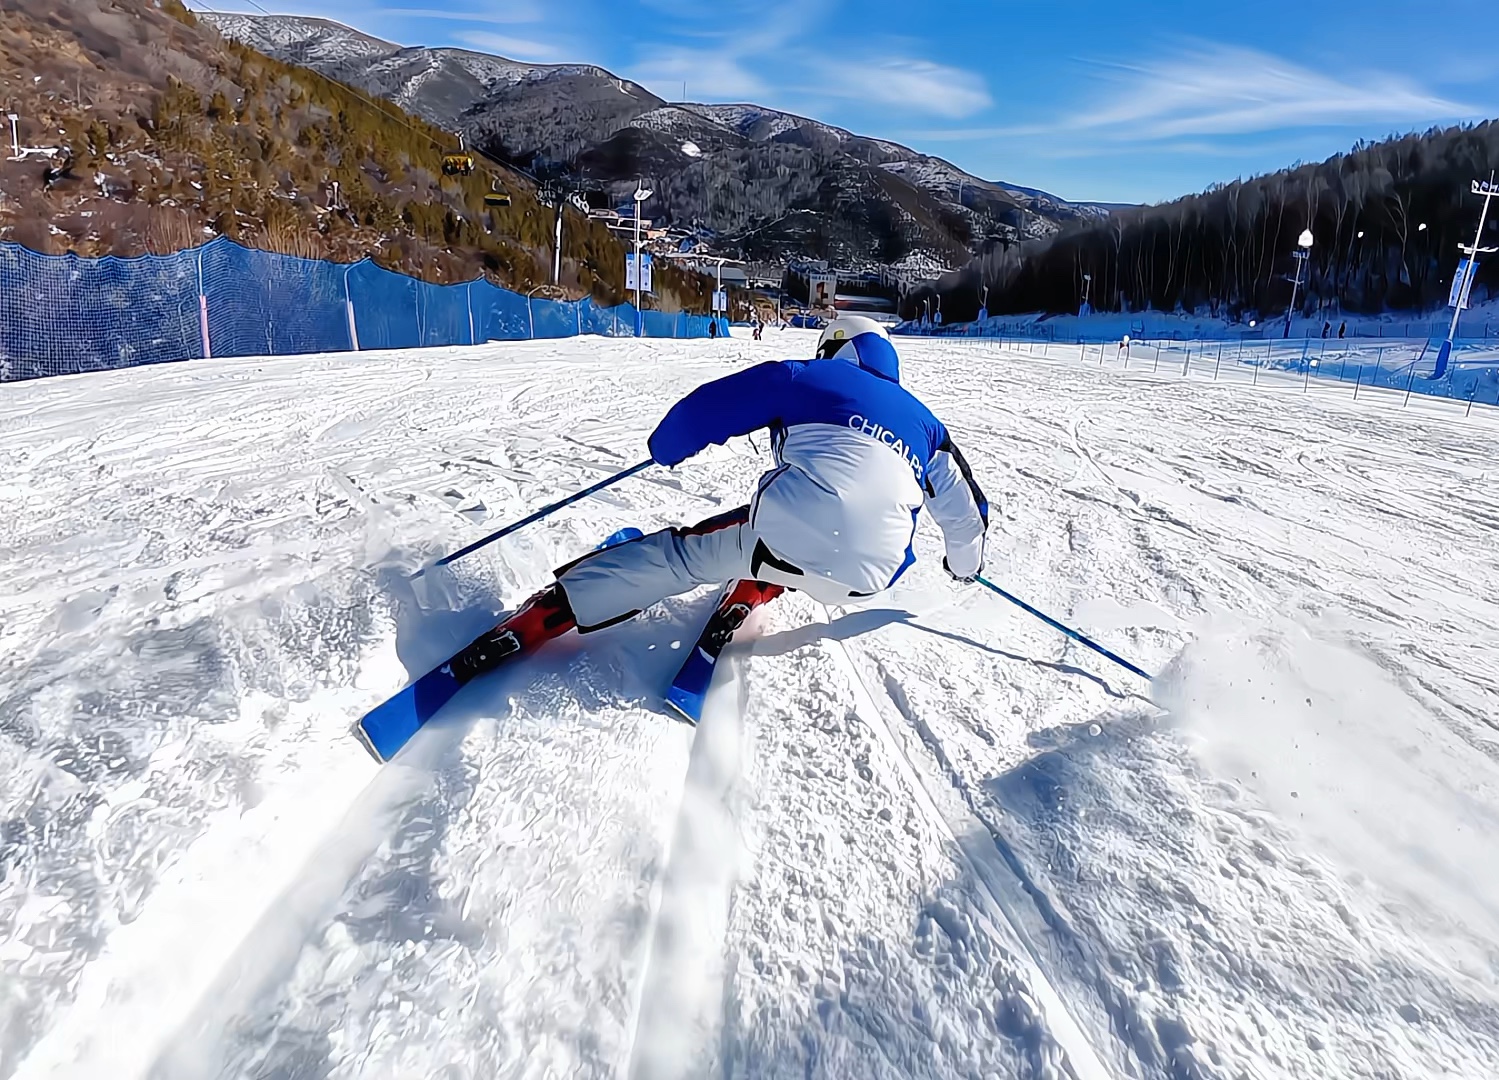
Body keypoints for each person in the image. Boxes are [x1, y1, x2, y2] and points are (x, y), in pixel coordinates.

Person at [449, 316, 990, 680]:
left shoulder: (809, 376)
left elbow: (710, 408)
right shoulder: (928, 426)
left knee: (686, 554)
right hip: (870, 580)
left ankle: (566, 604)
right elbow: (967, 517)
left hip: (785, 535)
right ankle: (761, 584)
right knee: (796, 538)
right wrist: (963, 568)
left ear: (835, 348)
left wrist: (667, 448)